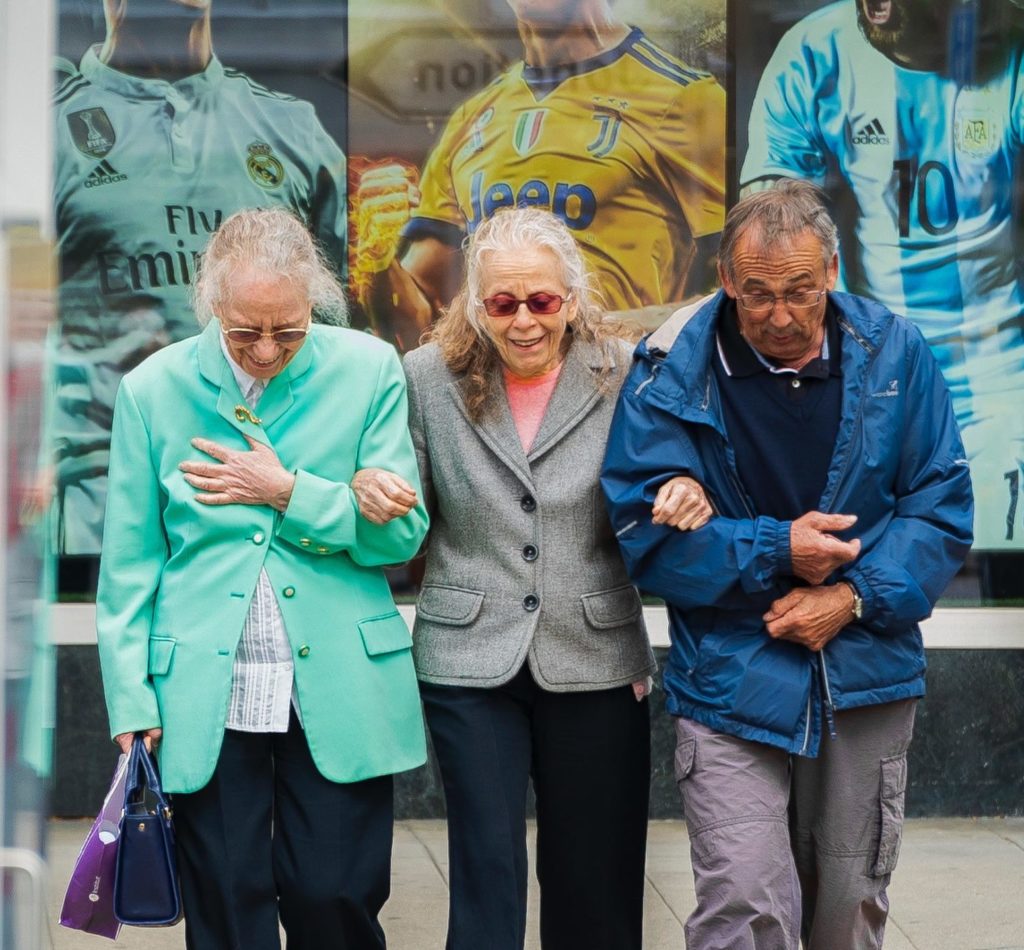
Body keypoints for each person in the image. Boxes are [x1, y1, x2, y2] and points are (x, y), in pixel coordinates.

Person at [601, 181, 974, 949]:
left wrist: (851, 598)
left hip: (863, 669)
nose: (778, 314)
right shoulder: (674, 369)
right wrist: (776, 548)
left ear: (832, 272)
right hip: (732, 674)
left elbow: (939, 507)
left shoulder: (895, 352)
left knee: (845, 910)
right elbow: (646, 538)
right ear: (728, 281)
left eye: (799, 292)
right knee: (744, 905)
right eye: (758, 294)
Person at [95, 208, 427, 950]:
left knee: (333, 892)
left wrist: (288, 491)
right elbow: (129, 565)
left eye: (290, 329)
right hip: (203, 684)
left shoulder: (369, 369)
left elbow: (400, 538)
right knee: (228, 898)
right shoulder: (153, 390)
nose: (268, 349)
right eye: (246, 331)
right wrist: (128, 694)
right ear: (212, 304)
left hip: (339, 676)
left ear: (316, 302)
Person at [398, 206, 711, 949]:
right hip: (469, 659)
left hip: (595, 650)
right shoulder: (426, 377)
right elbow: (402, 529)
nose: (524, 321)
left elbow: (671, 467)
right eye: (502, 303)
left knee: (596, 884)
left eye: (542, 300)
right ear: (476, 305)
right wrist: (375, 496)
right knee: (486, 875)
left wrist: (688, 487)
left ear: (572, 297)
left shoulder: (626, 372)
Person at [53, 0, 347, 555]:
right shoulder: (42, 133)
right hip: (102, 491)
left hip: (272, 484)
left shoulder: (292, 128)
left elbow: (341, 331)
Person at [740, 0, 1024, 551]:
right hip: (859, 383)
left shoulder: (1011, 50)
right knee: (843, 560)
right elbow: (769, 246)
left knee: (991, 556)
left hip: (1001, 378)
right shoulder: (813, 53)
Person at [355, 0, 726, 348]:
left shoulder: (687, 99)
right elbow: (418, 327)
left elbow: (736, 297)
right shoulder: (471, 119)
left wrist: (599, 330)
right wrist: (377, 261)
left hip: (619, 394)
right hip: (495, 402)